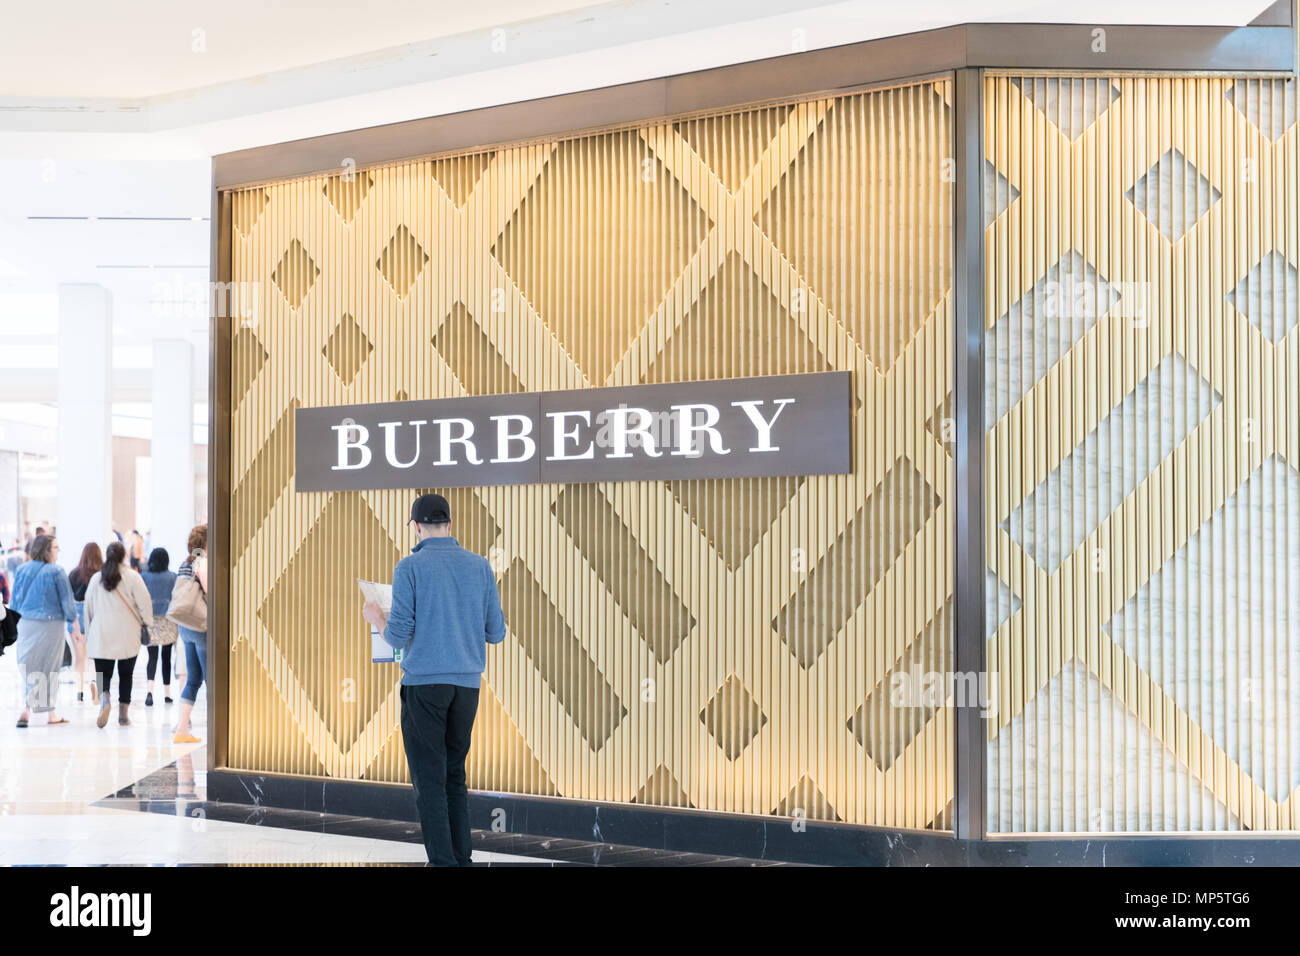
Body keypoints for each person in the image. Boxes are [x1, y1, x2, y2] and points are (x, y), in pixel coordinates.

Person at [362, 493, 506, 867]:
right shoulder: (480, 567)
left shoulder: (410, 567)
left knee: (429, 781)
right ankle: (462, 859)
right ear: (450, 525)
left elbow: (396, 635)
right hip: (468, 687)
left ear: (416, 526)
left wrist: (375, 617)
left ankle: (443, 862)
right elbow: (496, 633)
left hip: (425, 685)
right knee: (454, 775)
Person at [84, 541, 153, 728]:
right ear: (124, 556)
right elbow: (145, 603)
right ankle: (123, 715)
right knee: (126, 674)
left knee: (101, 673)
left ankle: (104, 698)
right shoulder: (133, 577)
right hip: (128, 633)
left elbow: (88, 607)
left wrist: (88, 632)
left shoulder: (97, 578)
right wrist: (147, 622)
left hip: (101, 632)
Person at [11, 534, 76, 727]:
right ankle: (50, 714)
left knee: (29, 666)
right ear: (47, 550)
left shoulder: (22, 570)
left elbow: (15, 601)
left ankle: (27, 709)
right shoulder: (57, 572)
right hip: (51, 625)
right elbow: (67, 602)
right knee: (49, 669)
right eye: (55, 547)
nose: (57, 551)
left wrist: (13, 625)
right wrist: (74, 624)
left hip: (26, 624)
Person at [173, 524, 208, 744]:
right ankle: (218, 734)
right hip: (200, 624)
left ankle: (182, 730)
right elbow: (208, 589)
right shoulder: (201, 561)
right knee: (210, 679)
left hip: (185, 625)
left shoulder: (184, 564)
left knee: (193, 679)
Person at [139, 547, 178, 705]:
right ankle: (167, 694)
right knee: (166, 658)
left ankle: (149, 692)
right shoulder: (172, 577)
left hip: (151, 621)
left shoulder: (144, 576)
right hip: (168, 620)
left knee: (152, 657)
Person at [67, 543, 103, 703]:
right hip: (95, 615)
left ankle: (79, 691)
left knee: (79, 657)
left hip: (77, 616)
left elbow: (67, 599)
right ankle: (97, 687)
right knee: (96, 658)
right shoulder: (101, 574)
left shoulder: (74, 574)